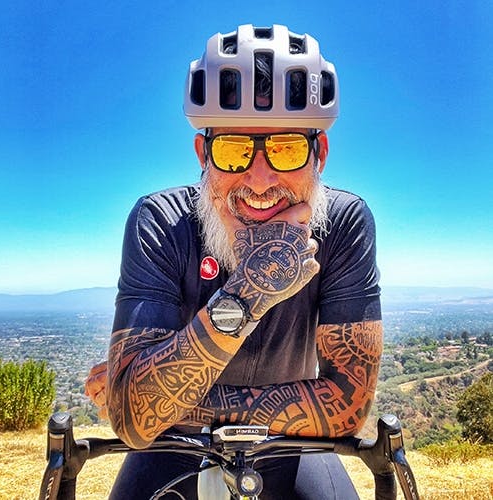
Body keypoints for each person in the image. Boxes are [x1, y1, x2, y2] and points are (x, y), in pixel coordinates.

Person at [85, 23, 383, 499]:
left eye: (285, 149)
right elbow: (135, 420)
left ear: (319, 154)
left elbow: (350, 405)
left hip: (292, 445)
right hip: (173, 445)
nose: (260, 180)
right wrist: (250, 290)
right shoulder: (160, 222)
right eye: (234, 149)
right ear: (203, 154)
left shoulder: (344, 225)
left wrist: (162, 398)